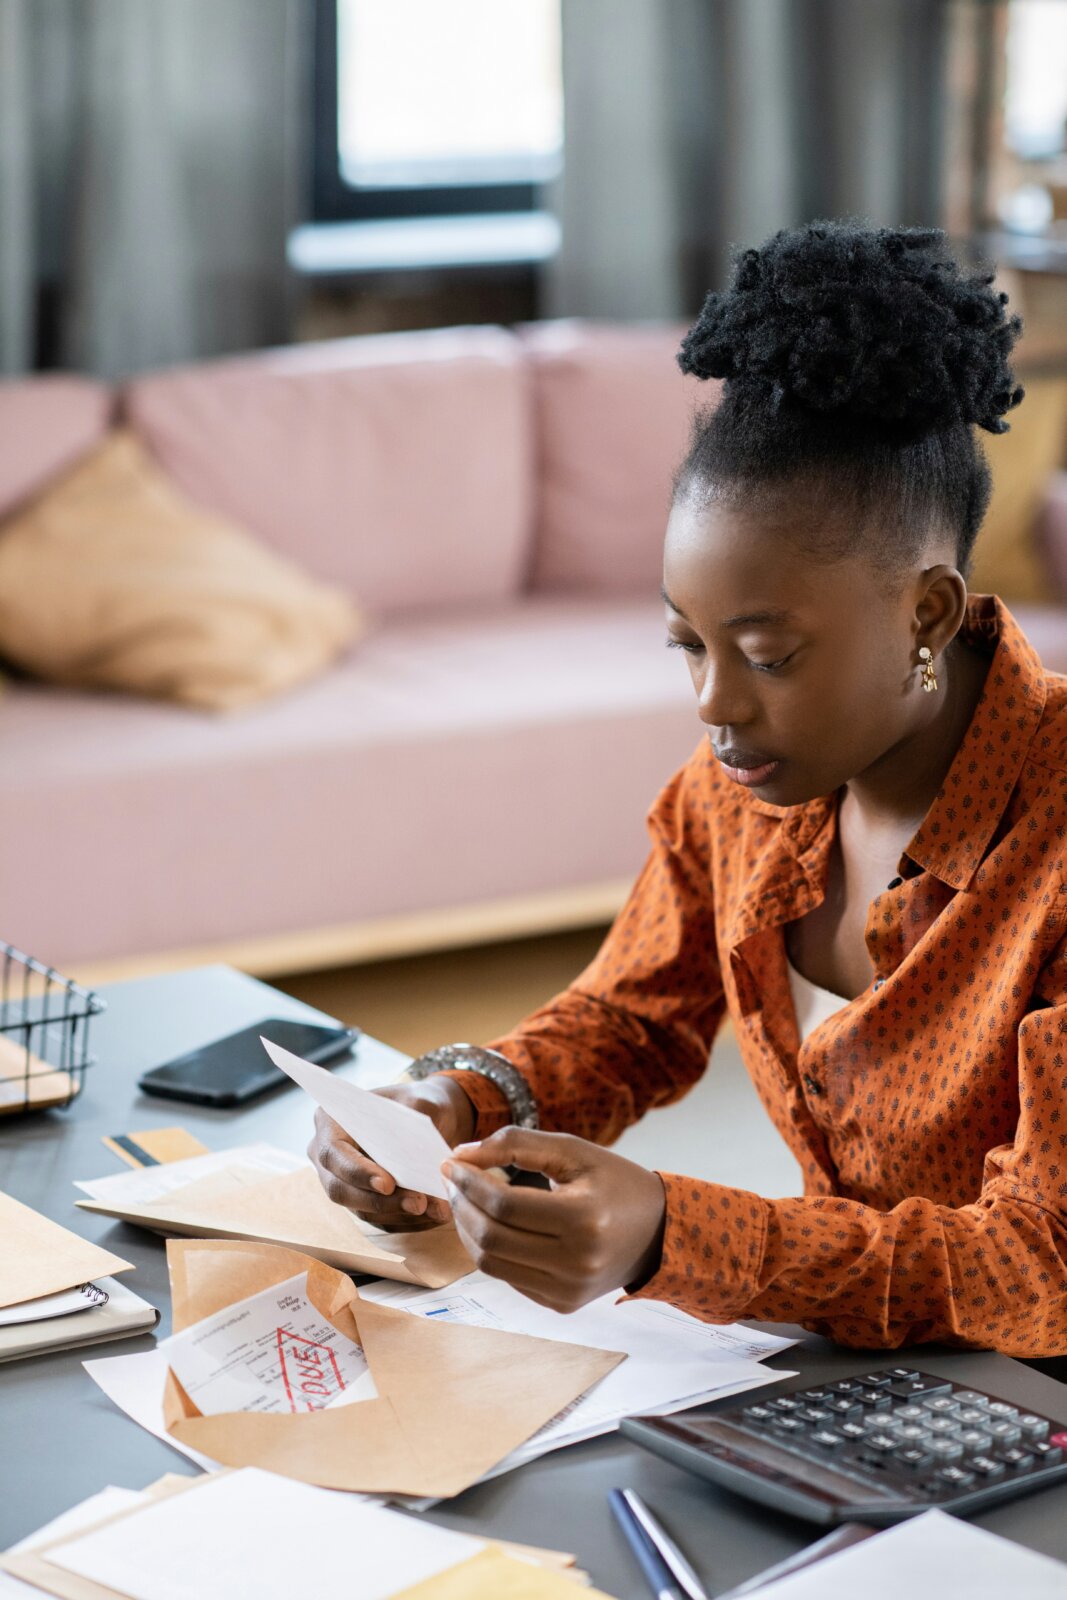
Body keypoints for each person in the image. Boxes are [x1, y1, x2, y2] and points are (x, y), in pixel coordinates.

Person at [310, 220, 1067, 1359]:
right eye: (686, 644)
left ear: (925, 613)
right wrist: (452, 1102)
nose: (714, 704)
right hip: (874, 1376)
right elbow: (627, 1024)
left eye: (766, 654)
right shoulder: (735, 797)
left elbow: (1036, 1262)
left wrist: (675, 1233)